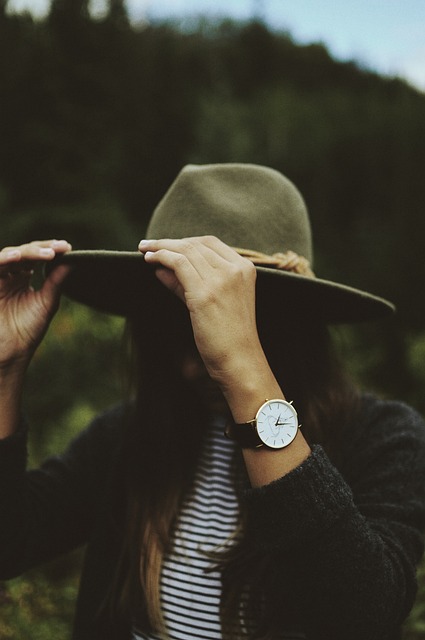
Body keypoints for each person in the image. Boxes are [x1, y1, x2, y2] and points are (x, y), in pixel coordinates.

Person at [0, 163, 425, 640]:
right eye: (173, 332)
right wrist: (5, 368)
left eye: (211, 332)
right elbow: (9, 541)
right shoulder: (132, 436)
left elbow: (362, 614)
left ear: (289, 326)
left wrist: (240, 365)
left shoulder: (383, 438)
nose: (189, 367)